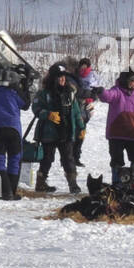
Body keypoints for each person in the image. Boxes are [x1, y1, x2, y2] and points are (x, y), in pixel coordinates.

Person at [33, 63, 86, 193]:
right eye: (59, 77)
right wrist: (47, 114)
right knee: (47, 158)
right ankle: (40, 183)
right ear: (53, 79)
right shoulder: (44, 93)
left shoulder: (70, 92)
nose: (62, 79)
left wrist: (81, 127)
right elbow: (35, 108)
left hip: (66, 131)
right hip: (48, 133)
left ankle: (73, 184)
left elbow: (76, 111)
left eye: (64, 76)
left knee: (68, 158)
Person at [0, 68, 30, 200]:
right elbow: (26, 104)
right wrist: (22, 86)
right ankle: (11, 192)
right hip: (14, 129)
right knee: (15, 159)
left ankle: (4, 191)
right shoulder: (13, 92)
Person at [96, 70, 134, 182]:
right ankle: (117, 184)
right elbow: (107, 96)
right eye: (132, 81)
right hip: (117, 135)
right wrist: (101, 91)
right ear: (125, 81)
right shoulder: (117, 92)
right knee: (117, 161)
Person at [72, 57, 101, 166]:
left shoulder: (92, 76)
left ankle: (76, 157)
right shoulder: (75, 76)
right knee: (75, 132)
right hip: (76, 106)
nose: (83, 69)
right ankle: (71, 157)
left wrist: (93, 96)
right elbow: (76, 91)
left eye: (85, 67)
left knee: (81, 133)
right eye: (82, 66)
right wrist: (88, 94)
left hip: (86, 106)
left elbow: (96, 90)